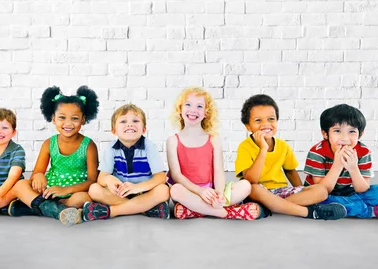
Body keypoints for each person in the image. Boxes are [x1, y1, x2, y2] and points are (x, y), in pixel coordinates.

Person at [235, 94, 347, 220]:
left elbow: (290, 171)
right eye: (258, 120)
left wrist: (302, 191)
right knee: (253, 188)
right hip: (258, 192)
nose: (265, 124)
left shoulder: (283, 146)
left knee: (321, 190)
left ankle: (272, 206)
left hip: (280, 192)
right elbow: (251, 180)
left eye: (271, 119)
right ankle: (309, 212)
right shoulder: (244, 147)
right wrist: (263, 149)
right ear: (248, 126)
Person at [8, 86, 99, 226]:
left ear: (83, 120)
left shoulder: (89, 145)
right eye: (62, 117)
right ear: (54, 119)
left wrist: (66, 190)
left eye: (74, 118)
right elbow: (37, 173)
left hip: (74, 192)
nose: (68, 123)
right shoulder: (49, 143)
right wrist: (38, 176)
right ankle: (56, 211)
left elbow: (92, 180)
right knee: (21, 184)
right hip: (49, 190)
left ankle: (38, 207)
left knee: (83, 198)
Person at [167, 87, 262, 220]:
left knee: (245, 185)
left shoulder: (213, 139)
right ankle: (225, 212)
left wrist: (219, 194)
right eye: (188, 104)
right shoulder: (173, 141)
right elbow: (176, 175)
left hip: (212, 192)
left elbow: (218, 170)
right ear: (180, 109)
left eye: (199, 106)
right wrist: (200, 191)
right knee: (175, 190)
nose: (193, 110)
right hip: (189, 192)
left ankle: (197, 211)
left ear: (206, 113)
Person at [304, 104, 378, 219]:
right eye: (337, 131)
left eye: (352, 131)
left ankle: (346, 206)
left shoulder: (363, 152)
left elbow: (362, 188)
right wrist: (337, 165)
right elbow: (322, 189)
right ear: (325, 134)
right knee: (316, 201)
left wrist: (353, 168)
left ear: (360, 134)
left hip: (349, 192)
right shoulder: (317, 152)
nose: (345, 138)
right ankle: (370, 211)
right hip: (322, 195)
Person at [83, 104, 170, 221]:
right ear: (113, 130)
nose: (130, 124)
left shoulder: (149, 146)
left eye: (135, 120)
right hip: (120, 193)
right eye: (123, 121)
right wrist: (109, 180)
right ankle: (145, 209)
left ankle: (113, 211)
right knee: (94, 189)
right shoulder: (111, 148)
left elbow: (161, 177)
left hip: (144, 192)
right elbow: (102, 177)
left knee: (163, 190)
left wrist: (137, 188)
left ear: (144, 129)